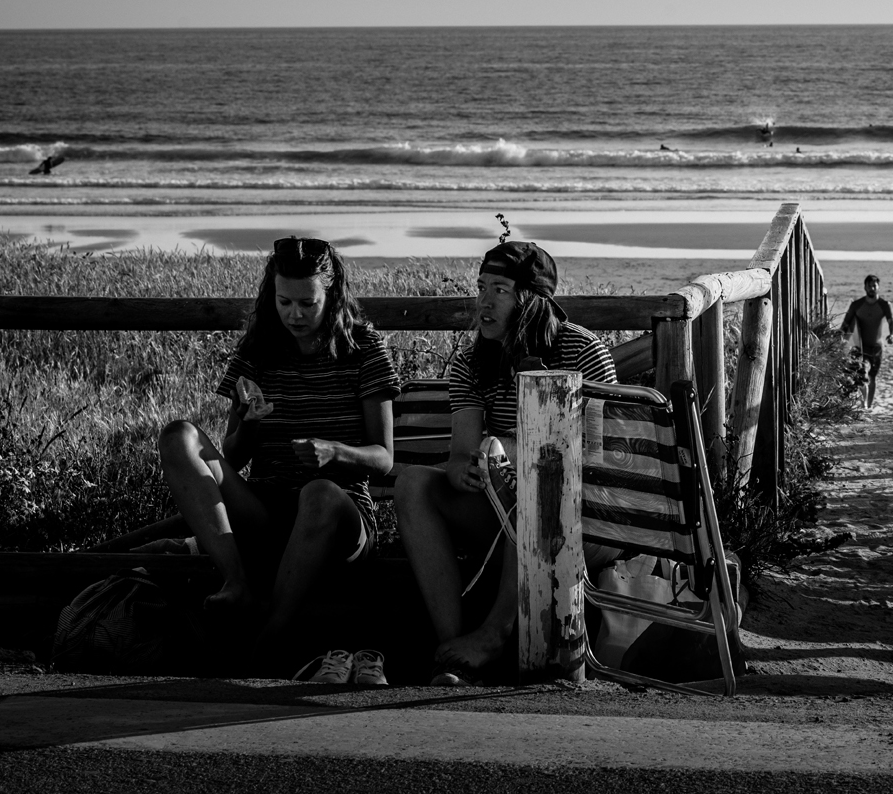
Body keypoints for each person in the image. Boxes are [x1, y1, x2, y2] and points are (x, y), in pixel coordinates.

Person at [157, 237, 398, 671]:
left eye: (308, 303)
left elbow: (385, 459)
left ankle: (271, 637)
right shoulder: (257, 350)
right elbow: (231, 455)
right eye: (285, 301)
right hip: (265, 511)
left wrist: (336, 453)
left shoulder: (364, 349)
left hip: (339, 519)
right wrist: (250, 423)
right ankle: (237, 582)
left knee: (320, 492)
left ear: (333, 294)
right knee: (178, 435)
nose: (295, 314)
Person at [395, 241, 617, 684]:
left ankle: (496, 631)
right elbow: (459, 455)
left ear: (532, 300)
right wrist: (466, 470)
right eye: (480, 286)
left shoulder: (582, 351)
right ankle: (453, 647)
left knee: (539, 469)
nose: (483, 300)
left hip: (584, 520)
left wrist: (515, 451)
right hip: (505, 520)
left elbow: (600, 458)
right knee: (414, 484)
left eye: (499, 289)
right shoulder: (473, 362)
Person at [839, 275, 893, 408]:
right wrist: (840, 340)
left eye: (874, 286)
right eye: (869, 286)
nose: (872, 288)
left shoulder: (884, 305)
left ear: (878, 287)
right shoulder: (856, 305)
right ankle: (864, 404)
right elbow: (845, 324)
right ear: (864, 287)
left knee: (872, 377)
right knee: (861, 375)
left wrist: (892, 335)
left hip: (876, 347)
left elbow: (891, 321)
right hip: (860, 347)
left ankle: (869, 406)